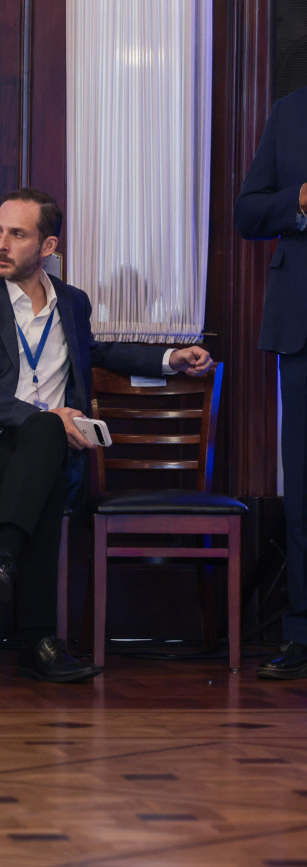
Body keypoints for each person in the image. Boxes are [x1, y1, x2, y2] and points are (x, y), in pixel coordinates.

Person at [0, 188, 214, 683]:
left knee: (46, 456)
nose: (0, 244)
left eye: (17, 234)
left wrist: (170, 358)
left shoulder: (71, 302)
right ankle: (38, 641)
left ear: (47, 246)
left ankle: (5, 562)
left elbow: (97, 352)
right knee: (48, 444)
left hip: (36, 456)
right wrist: (43, 416)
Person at [235, 86, 307, 680]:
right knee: (303, 489)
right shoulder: (290, 111)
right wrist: (300, 199)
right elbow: (249, 214)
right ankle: (302, 633)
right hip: (302, 328)